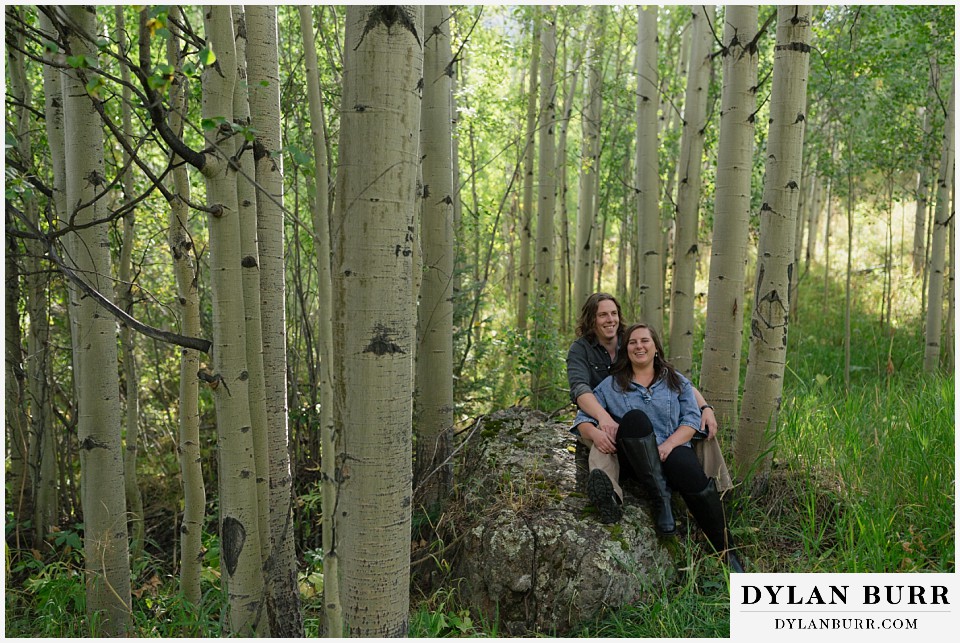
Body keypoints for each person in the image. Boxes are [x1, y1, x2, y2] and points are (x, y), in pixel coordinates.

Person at [573, 323, 745, 572]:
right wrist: (595, 434)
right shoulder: (611, 385)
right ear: (626, 349)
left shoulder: (676, 381)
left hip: (672, 450)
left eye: (645, 341)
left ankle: (726, 552)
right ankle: (661, 500)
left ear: (655, 348)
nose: (638, 346)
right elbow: (582, 420)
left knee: (685, 465)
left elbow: (690, 419)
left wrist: (667, 446)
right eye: (632, 342)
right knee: (634, 419)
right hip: (636, 462)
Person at [565, 292, 718, 529]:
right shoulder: (581, 350)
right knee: (603, 444)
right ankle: (610, 497)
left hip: (643, 423)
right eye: (602, 315)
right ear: (591, 320)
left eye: (613, 313)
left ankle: (716, 503)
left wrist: (704, 406)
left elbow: (676, 381)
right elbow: (581, 390)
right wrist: (602, 421)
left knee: (689, 441)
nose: (610, 319)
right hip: (602, 414)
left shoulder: (632, 339)